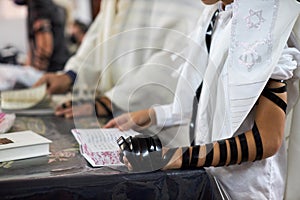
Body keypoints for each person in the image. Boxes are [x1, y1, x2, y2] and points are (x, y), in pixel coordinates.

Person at [104, 0, 300, 199]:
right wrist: (153, 115)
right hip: (213, 178)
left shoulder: (266, 27)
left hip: (247, 189)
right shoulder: (217, 15)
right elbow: (209, 103)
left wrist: (177, 157)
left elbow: (268, 139)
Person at [34, 0, 204, 119]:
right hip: (116, 118)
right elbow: (100, 36)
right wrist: (71, 75)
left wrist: (112, 101)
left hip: (158, 126)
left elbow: (175, 58)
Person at [13, 0, 70, 72]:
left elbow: (45, 47)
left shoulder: (38, 4)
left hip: (51, 70)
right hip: (60, 65)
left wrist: (37, 73)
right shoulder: (43, 4)